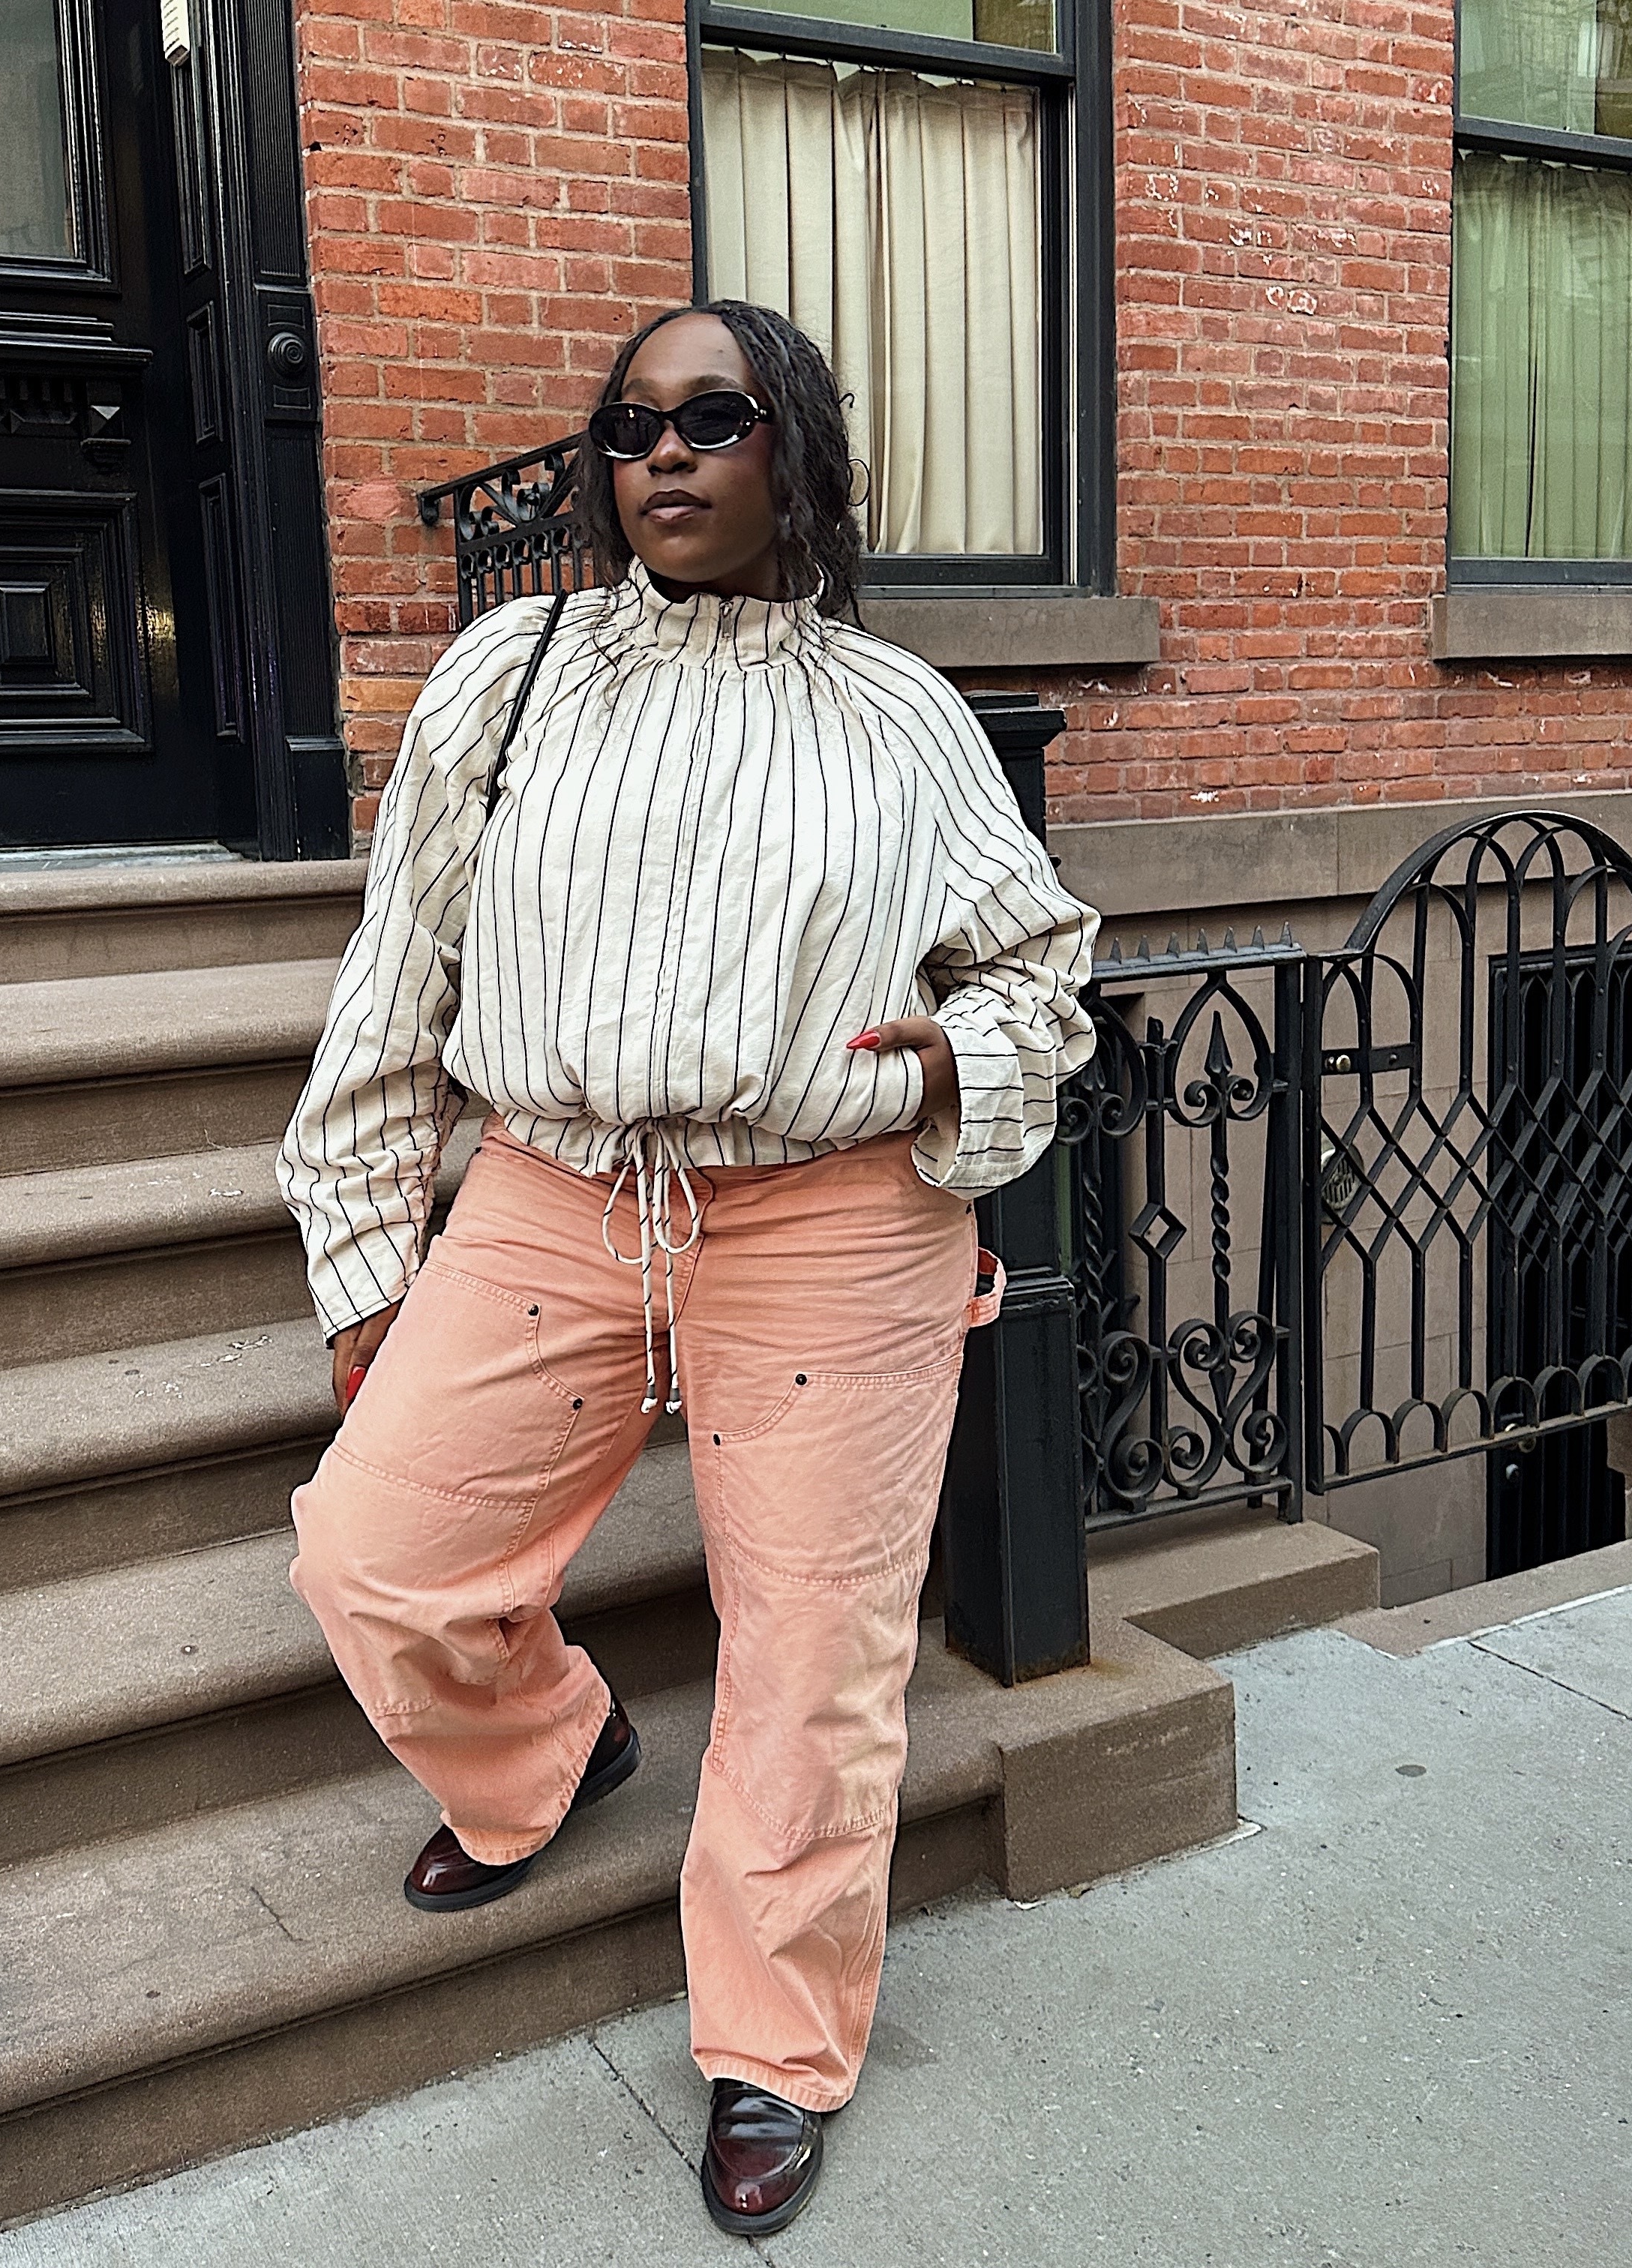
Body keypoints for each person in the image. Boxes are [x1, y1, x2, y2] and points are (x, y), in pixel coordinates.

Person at [276, 299, 1099, 2236]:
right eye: (631, 423)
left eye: (712, 417)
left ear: (788, 454)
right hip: (556, 1189)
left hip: (830, 1214)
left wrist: (964, 1063)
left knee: (811, 1651)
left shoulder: (897, 721)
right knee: (372, 1551)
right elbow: (395, 990)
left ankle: (772, 2042)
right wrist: (364, 1248)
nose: (663, 451)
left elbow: (1045, 970)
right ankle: (550, 1752)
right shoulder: (506, 677)